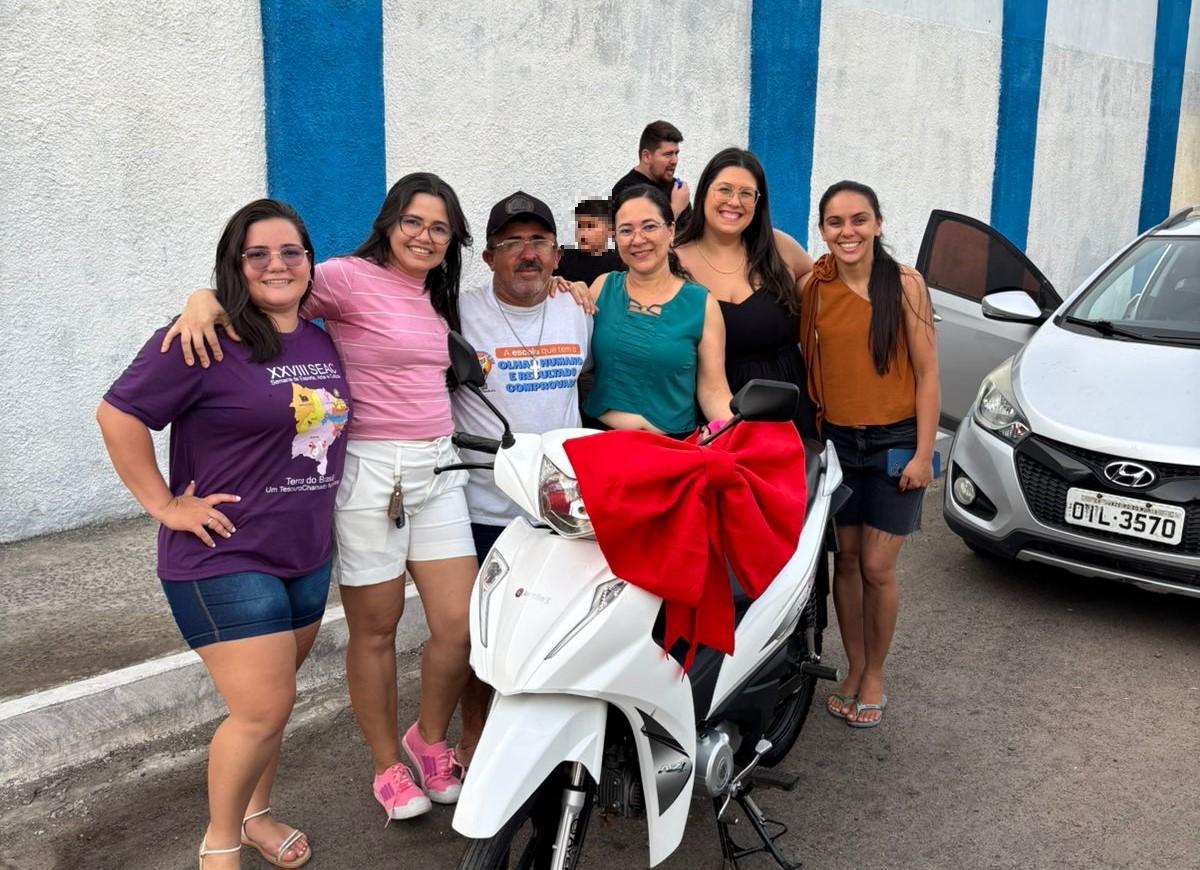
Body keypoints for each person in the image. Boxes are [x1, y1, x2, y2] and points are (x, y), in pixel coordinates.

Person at [162, 173, 479, 823]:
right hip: (370, 472)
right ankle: (389, 764)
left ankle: (429, 738)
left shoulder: (435, 296)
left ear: (452, 242)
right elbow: (268, 295)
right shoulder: (342, 276)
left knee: (460, 626)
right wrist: (202, 299)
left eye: (439, 227)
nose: (425, 235)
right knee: (377, 627)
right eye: (413, 221)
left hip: (439, 466)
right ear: (389, 222)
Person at [98, 199, 350, 868]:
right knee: (263, 710)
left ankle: (257, 815)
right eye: (258, 253)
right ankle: (219, 848)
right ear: (235, 265)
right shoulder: (203, 337)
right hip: (223, 554)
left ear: (308, 261)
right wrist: (163, 503)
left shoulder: (321, 334)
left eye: (290, 251)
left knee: (273, 704)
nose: (277, 264)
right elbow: (118, 414)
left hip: (303, 552)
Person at [798, 180, 940, 728]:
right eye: (835, 222)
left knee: (878, 567)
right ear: (823, 230)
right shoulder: (816, 284)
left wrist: (924, 454)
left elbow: (928, 374)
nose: (847, 231)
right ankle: (853, 668)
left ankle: (875, 673)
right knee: (846, 563)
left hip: (894, 445)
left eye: (859, 219)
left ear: (878, 223)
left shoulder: (905, 284)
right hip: (837, 442)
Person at [457, 191, 593, 562]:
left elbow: (590, 378)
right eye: (512, 242)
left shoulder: (580, 309)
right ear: (489, 258)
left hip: (566, 507)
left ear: (557, 255)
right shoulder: (458, 314)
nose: (528, 253)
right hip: (485, 513)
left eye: (539, 241)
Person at [673, 147, 817, 440]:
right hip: (711, 416)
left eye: (746, 193)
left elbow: (814, 279)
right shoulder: (674, 261)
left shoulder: (778, 247)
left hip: (789, 409)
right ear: (704, 194)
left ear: (758, 201)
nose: (734, 202)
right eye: (724, 190)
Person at [579, 184, 732, 435]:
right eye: (626, 230)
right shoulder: (602, 287)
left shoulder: (701, 304)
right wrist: (562, 286)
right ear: (616, 238)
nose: (638, 239)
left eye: (650, 226)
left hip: (672, 450)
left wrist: (734, 433)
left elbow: (714, 391)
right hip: (602, 442)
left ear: (671, 231)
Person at [611, 120, 691, 223]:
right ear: (647, 156)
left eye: (676, 153)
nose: (675, 161)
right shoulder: (626, 191)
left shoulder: (676, 189)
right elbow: (641, 236)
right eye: (668, 154)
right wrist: (675, 209)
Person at [555, 197, 624, 286]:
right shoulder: (563, 257)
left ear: (610, 231)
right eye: (580, 226)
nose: (582, 232)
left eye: (590, 226)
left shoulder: (618, 265)